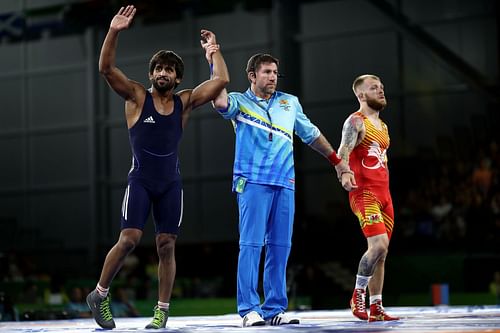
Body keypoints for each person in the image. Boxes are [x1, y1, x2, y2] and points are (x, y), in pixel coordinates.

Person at [86, 5, 229, 330]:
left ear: (177, 77)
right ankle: (99, 293)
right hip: (140, 181)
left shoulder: (184, 101)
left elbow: (221, 80)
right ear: (151, 74)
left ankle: (162, 310)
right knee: (130, 239)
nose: (163, 73)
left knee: (167, 245)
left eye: (169, 70)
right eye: (159, 69)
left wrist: (213, 52)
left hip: (170, 184)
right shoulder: (137, 96)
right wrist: (114, 31)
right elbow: (106, 69)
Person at [211, 53, 355, 327]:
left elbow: (311, 134)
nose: (273, 77)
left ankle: (274, 307)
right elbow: (218, 99)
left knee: (280, 247)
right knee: (251, 245)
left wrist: (337, 162)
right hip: (252, 181)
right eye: (266, 72)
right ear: (252, 76)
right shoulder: (239, 103)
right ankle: (249, 309)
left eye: (275, 72)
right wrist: (213, 56)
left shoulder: (290, 103)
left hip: (284, 182)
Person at [337, 74, 399, 322]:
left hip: (385, 195)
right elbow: (343, 150)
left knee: (381, 254)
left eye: (382, 87)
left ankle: (377, 306)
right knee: (379, 245)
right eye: (374, 88)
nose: (381, 91)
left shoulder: (383, 126)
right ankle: (358, 294)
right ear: (361, 95)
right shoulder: (356, 121)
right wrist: (343, 173)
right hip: (364, 193)